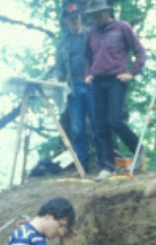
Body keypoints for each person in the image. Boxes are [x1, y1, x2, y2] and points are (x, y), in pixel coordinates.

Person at [84, 0, 146, 182]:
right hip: (98, 81)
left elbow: (140, 52)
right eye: (94, 15)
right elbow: (87, 56)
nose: (97, 18)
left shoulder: (122, 28)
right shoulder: (91, 32)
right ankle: (107, 166)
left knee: (115, 120)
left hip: (117, 80)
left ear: (107, 12)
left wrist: (132, 73)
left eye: (99, 14)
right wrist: (88, 74)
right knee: (101, 124)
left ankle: (138, 148)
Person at [54, 3, 100, 173]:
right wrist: (57, 77)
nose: (76, 21)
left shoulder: (92, 34)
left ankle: (105, 163)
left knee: (98, 124)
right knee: (77, 128)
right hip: (73, 88)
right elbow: (59, 67)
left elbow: (102, 57)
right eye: (72, 19)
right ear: (66, 21)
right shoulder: (62, 43)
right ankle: (82, 165)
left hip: (92, 85)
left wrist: (95, 75)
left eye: (78, 17)